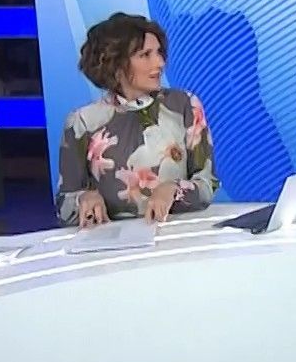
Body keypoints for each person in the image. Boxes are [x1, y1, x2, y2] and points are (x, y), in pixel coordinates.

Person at [55, 12, 219, 228]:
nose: (160, 62)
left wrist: (174, 189)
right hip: (113, 242)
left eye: (159, 53)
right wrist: (83, 199)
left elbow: (207, 184)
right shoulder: (82, 123)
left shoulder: (185, 106)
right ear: (116, 64)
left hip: (178, 234)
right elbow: (63, 205)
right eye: (145, 55)